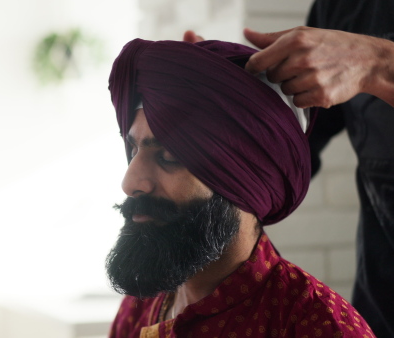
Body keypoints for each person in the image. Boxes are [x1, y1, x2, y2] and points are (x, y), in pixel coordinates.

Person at [106, 38, 375, 337]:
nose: (130, 183)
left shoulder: (316, 326)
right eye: (133, 150)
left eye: (169, 156)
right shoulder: (142, 304)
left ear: (243, 178)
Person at [183, 1, 394, 336]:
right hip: (384, 309)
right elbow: (293, 152)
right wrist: (231, 114)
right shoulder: (341, 8)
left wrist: (380, 64)